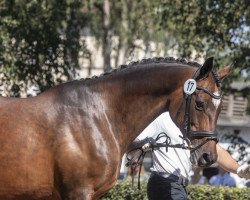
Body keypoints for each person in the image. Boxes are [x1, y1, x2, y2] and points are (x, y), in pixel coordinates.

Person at [127, 112, 250, 200]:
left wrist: (239, 169)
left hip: (180, 186)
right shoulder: (162, 118)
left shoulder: (195, 124)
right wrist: (143, 143)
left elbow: (216, 150)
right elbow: (130, 148)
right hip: (163, 182)